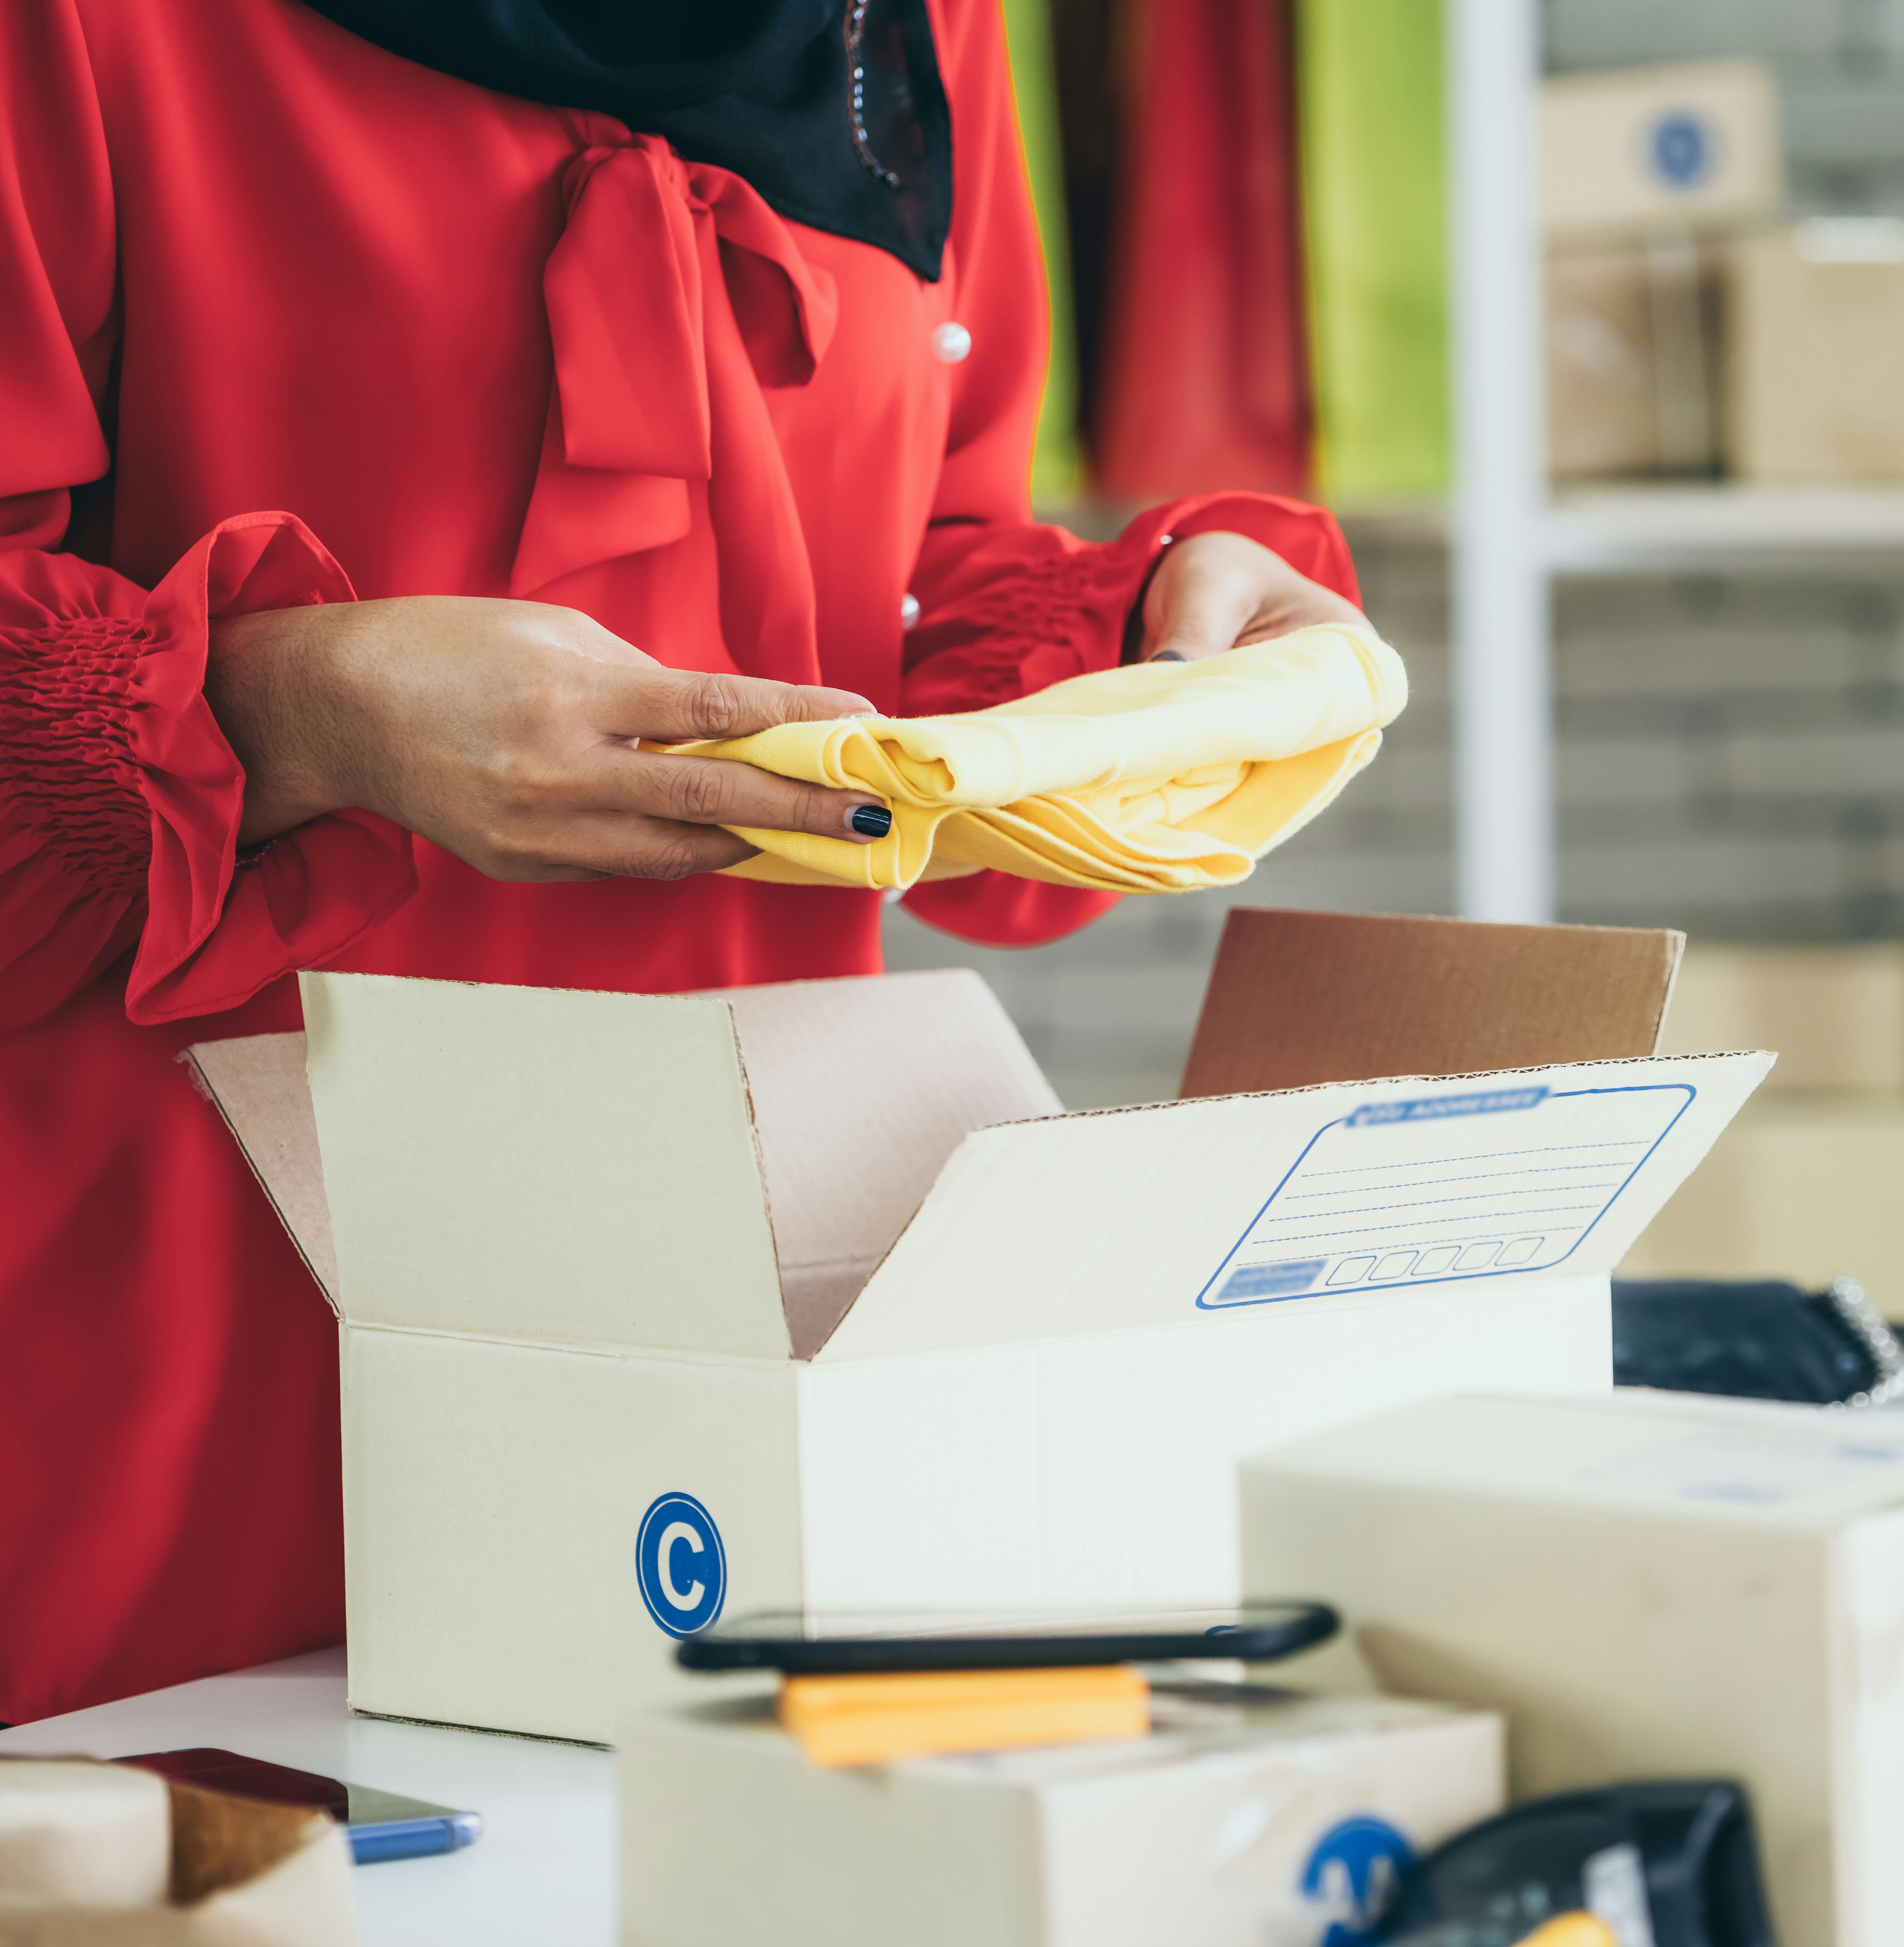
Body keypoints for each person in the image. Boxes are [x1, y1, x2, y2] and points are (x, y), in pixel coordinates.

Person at [0, 0, 1368, 1722]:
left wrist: (1161, 639)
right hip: (185, 1325)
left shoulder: (908, 26)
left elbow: (925, 562)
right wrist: (298, 707)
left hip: (735, 1294)